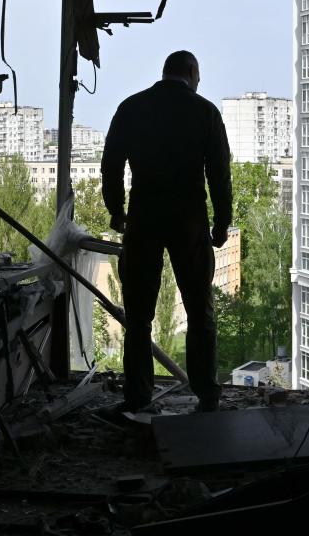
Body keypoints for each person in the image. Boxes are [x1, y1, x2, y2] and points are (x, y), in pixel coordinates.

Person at [100, 50, 232, 414]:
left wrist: (116, 210)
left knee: (139, 315)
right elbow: (219, 175)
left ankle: (138, 395)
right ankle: (206, 394)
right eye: (199, 76)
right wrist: (221, 223)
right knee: (198, 309)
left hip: (143, 218)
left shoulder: (132, 108)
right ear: (191, 72)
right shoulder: (205, 113)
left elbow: (110, 163)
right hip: (188, 220)